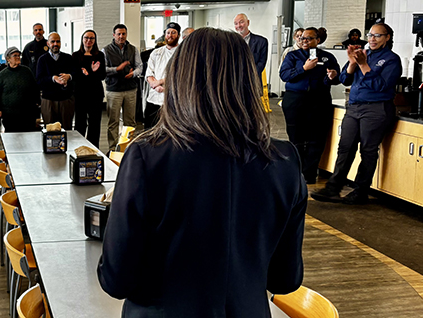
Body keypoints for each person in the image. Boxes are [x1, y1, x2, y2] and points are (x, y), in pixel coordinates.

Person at [97, 27, 306, 317]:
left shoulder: (147, 156)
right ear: (247, 80)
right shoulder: (284, 160)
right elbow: (285, 279)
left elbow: (116, 279)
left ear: (179, 80)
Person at [312, 23, 402, 205]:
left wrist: (363, 65)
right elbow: (344, 79)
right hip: (354, 107)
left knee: (368, 150)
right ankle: (333, 188)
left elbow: (381, 86)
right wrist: (353, 63)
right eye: (370, 35)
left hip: (376, 108)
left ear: (387, 37)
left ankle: (361, 191)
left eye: (377, 36)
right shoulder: (362, 54)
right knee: (345, 147)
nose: (372, 39)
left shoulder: (391, 59)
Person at [280, 27, 341, 184]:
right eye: (302, 39)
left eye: (308, 38)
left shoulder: (327, 57)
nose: (304, 41)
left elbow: (336, 79)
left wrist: (332, 77)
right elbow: (284, 75)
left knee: (316, 139)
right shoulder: (293, 56)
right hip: (295, 100)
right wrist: (303, 68)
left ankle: (309, 173)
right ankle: (296, 172)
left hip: (319, 100)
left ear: (317, 40)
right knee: (296, 138)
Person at [103, 24, 143, 151]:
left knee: (130, 122)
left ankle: (128, 148)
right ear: (113, 35)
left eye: (123, 34)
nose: (121, 36)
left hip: (130, 89)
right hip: (114, 90)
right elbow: (103, 70)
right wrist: (117, 69)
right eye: (118, 34)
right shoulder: (106, 50)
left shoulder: (133, 49)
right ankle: (112, 148)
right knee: (113, 122)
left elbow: (140, 66)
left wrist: (134, 73)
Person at [0, 47, 39, 132]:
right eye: (15, 56)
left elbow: (35, 88)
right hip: (10, 114)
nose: (18, 57)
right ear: (8, 59)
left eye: (19, 55)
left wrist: (37, 104)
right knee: (12, 138)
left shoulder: (26, 71)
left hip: (27, 113)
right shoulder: (2, 75)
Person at [72, 30, 106, 147]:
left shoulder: (100, 55)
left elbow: (102, 75)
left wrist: (92, 72)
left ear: (95, 41)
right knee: (80, 123)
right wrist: (85, 73)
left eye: (92, 38)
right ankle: (79, 146)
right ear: (82, 39)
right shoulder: (76, 55)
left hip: (95, 93)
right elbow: (74, 75)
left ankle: (93, 147)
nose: (89, 40)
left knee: (95, 123)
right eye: (86, 38)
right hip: (80, 93)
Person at [143, 22, 181, 129]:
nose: (170, 35)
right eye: (168, 32)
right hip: (153, 98)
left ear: (178, 35)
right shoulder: (156, 52)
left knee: (170, 130)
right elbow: (149, 74)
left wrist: (159, 82)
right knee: (150, 129)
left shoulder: (182, 53)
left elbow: (179, 75)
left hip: (172, 100)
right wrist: (155, 85)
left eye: (174, 33)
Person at [36, 33, 75, 129]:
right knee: (50, 130)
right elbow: (39, 80)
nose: (55, 44)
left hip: (66, 100)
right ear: (48, 43)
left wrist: (69, 77)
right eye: (52, 41)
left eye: (58, 41)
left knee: (66, 129)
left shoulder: (68, 58)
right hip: (49, 100)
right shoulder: (42, 60)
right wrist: (53, 78)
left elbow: (76, 75)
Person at [234, 13, 268, 85]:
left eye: (241, 22)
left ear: (248, 22)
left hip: (253, 83)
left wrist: (246, 75)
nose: (239, 25)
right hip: (234, 83)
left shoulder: (261, 41)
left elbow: (261, 64)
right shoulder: (230, 42)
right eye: (236, 23)